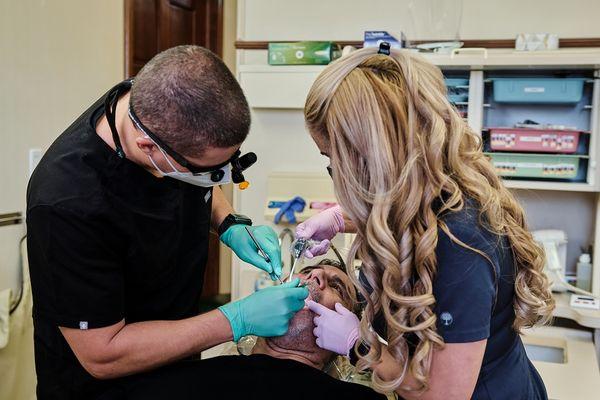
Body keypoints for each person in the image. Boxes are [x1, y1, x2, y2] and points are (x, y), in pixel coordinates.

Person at [26, 45, 308, 399]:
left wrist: (228, 222)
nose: (217, 179)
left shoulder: (157, 101)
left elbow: (197, 176)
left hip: (177, 357)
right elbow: (102, 354)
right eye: (207, 172)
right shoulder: (67, 204)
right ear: (149, 147)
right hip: (103, 382)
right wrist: (234, 320)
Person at [296, 45, 556, 399]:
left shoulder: (463, 245)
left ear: (373, 156)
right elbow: (413, 213)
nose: (334, 173)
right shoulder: (434, 183)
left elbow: (444, 395)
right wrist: (344, 218)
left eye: (332, 158)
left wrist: (360, 345)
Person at [121, 260, 386, 400]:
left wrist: (359, 347)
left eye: (336, 287)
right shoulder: (177, 382)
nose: (315, 276)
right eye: (306, 271)